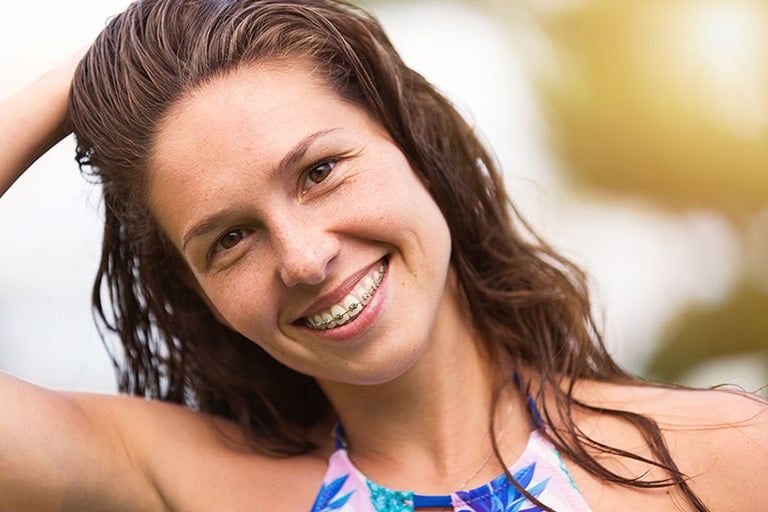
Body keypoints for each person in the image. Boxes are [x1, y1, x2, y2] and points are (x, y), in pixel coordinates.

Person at [1, 1, 766, 511]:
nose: (302, 259)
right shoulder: (199, 487)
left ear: (414, 144)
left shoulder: (721, 457)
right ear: (195, 289)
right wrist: (82, 74)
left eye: (319, 172)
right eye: (229, 238)